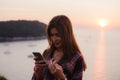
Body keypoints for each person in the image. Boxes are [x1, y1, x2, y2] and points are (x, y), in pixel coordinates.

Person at [32, 15, 87, 80]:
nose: (54, 39)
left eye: (58, 35)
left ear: (66, 34)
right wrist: (37, 72)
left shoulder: (77, 58)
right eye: (52, 35)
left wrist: (61, 77)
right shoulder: (47, 53)